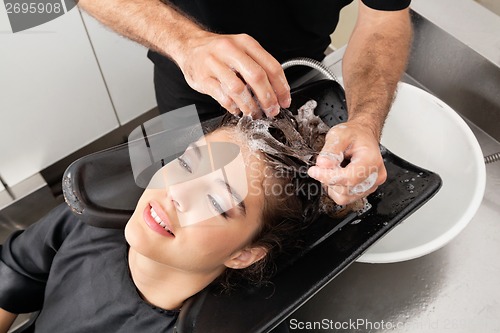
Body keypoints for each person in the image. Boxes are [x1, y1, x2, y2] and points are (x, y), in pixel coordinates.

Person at [0, 108, 360, 332]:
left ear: (244, 254)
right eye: (188, 163)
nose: (176, 191)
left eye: (216, 202)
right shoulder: (90, 219)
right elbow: (14, 273)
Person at [76, 0, 413, 206]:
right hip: (192, 78)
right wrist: (186, 42)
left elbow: (383, 21)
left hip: (301, 74)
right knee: (185, 183)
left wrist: (365, 122)